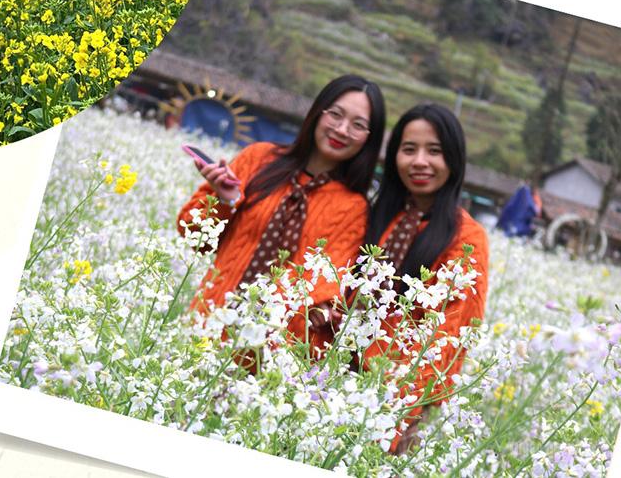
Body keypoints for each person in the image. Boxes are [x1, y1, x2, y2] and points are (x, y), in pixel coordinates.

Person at [176, 75, 387, 342]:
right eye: (336, 114)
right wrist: (226, 200)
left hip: (269, 356)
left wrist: (320, 311)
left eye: (358, 125)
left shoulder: (353, 208)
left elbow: (325, 286)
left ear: (370, 139)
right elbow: (192, 233)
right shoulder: (259, 158)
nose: (342, 130)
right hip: (204, 327)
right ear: (318, 112)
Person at [358, 104, 489, 452]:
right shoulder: (378, 215)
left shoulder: (466, 238)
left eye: (435, 151)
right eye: (408, 149)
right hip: (342, 383)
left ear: (455, 160)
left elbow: (448, 335)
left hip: (399, 404)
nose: (420, 162)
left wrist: (395, 412)